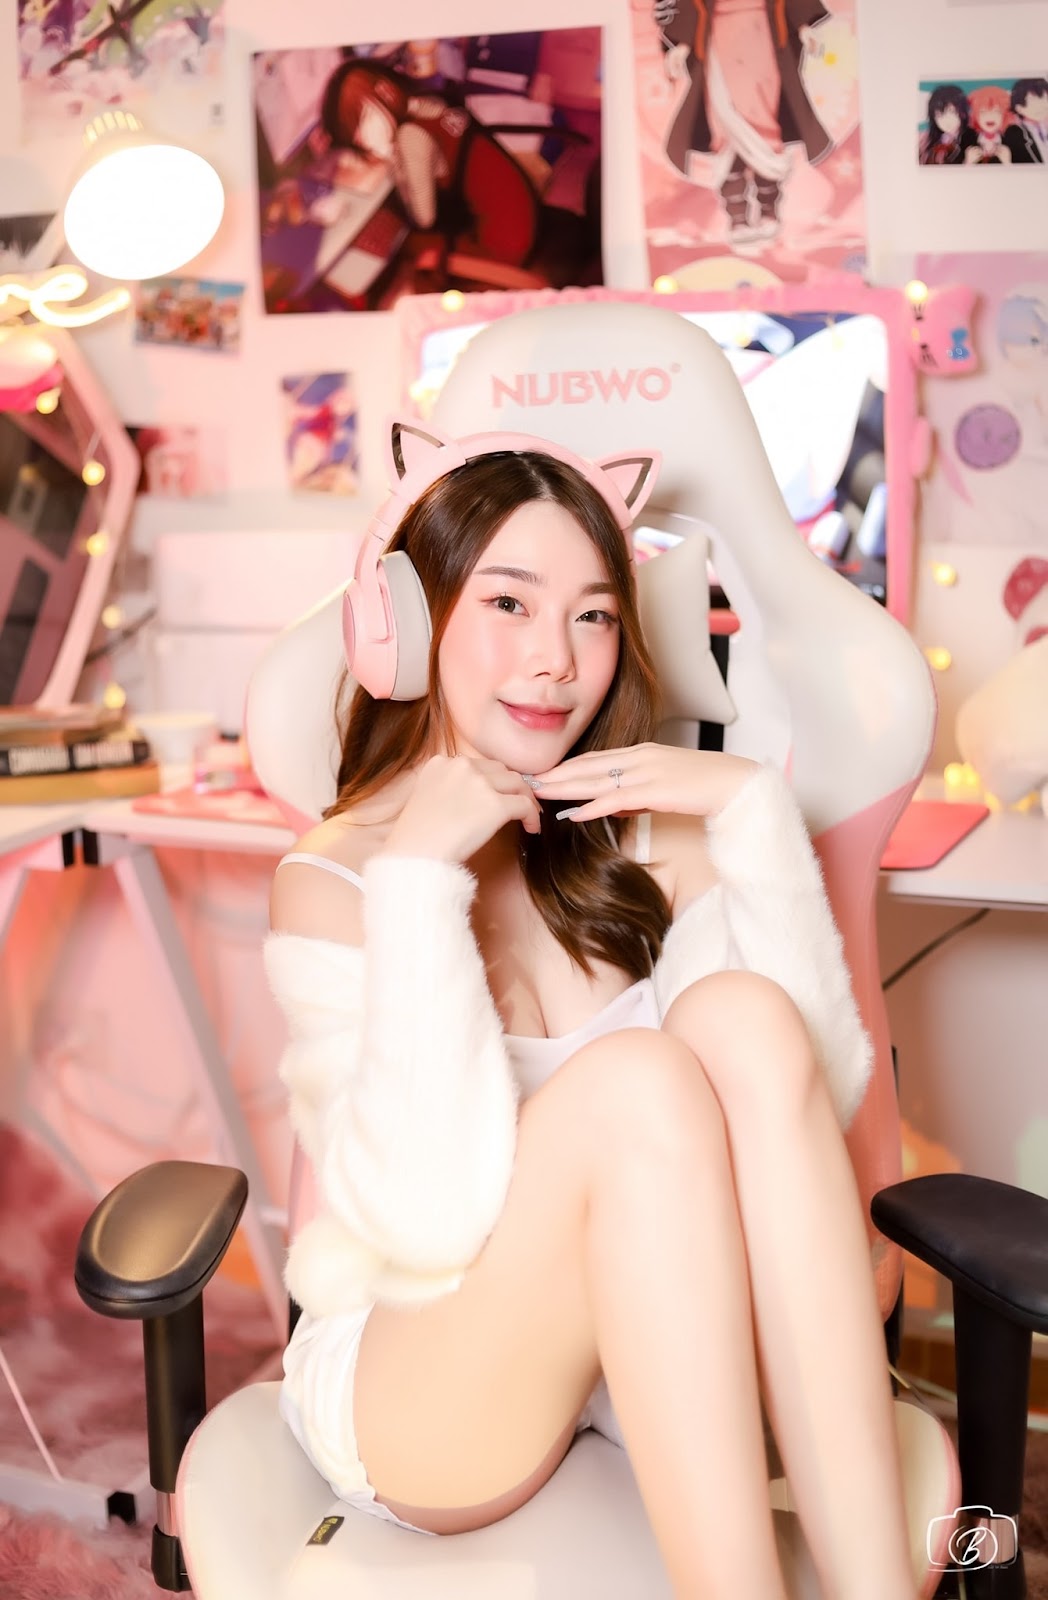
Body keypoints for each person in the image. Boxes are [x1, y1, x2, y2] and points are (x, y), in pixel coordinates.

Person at [264, 423, 921, 1599]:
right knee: (637, 1083)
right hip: (433, 1376)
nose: (557, 661)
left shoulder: (650, 836)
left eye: (593, 615)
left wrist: (751, 815)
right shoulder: (337, 881)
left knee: (743, 1017)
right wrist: (417, 883)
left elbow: (803, 1102)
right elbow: (422, 1213)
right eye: (508, 603)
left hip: (653, 1352)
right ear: (406, 622)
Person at [919, 84, 975, 166]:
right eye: (939, 115)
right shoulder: (924, 140)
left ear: (963, 112)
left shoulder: (973, 138)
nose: (946, 121)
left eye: (951, 113)